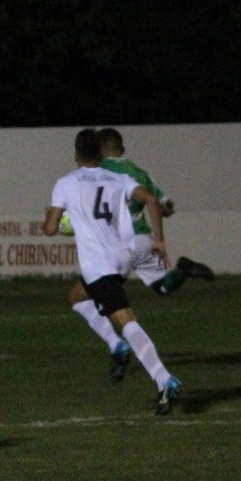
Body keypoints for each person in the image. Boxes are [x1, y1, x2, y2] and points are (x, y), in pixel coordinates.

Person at [44, 128, 182, 414]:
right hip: (122, 258)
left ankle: (163, 378)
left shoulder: (66, 183)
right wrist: (158, 241)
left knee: (127, 321)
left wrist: (54, 219)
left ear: (75, 154)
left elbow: (50, 228)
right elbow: (153, 201)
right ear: (100, 154)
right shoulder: (119, 178)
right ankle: (116, 346)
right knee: (77, 297)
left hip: (100, 266)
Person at [66, 127, 216, 381]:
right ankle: (182, 269)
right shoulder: (138, 173)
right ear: (121, 149)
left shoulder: (98, 172)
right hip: (144, 240)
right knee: (162, 287)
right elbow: (164, 205)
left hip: (119, 246)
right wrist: (160, 238)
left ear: (100, 150)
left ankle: (119, 348)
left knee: (83, 298)